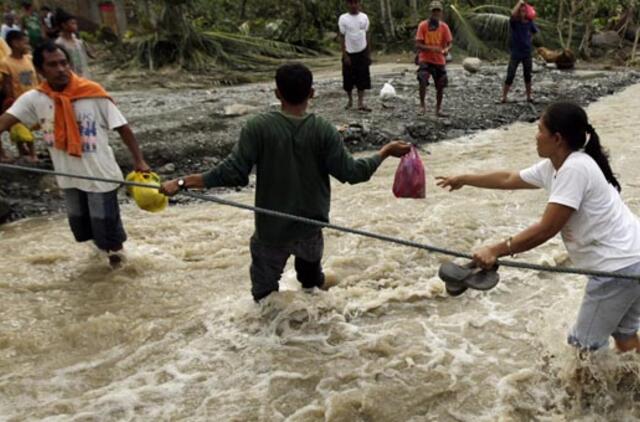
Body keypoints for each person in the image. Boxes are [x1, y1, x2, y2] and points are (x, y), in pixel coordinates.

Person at [160, 63, 411, 302]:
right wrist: (386, 151)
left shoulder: (258, 127)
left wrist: (182, 182)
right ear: (311, 93)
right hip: (309, 229)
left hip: (271, 231)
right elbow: (354, 173)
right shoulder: (324, 130)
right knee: (312, 287)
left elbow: (232, 173)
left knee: (263, 297)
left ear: (277, 93)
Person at [437, 102, 640, 353]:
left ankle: (583, 393)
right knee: (625, 336)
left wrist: (496, 250)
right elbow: (509, 178)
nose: (535, 136)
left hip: (617, 267)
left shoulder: (574, 169)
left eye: (539, 129)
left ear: (556, 138)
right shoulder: (556, 166)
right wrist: (465, 178)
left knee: (583, 348)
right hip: (632, 258)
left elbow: (547, 228)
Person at [0, 41, 151, 268]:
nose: (60, 69)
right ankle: (100, 266)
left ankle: (119, 271)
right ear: (41, 70)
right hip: (69, 178)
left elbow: (123, 128)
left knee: (108, 233)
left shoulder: (92, 93)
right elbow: (4, 122)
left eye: (63, 63)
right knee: (82, 230)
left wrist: (139, 161)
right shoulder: (35, 99)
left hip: (100, 177)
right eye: (53, 65)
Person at [0, 30, 39, 162]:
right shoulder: (6, 63)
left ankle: (25, 151)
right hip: (18, 100)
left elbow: (36, 77)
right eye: (24, 43)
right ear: (15, 43)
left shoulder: (29, 58)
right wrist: (11, 100)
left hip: (33, 97)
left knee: (29, 125)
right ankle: (31, 154)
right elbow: (7, 84)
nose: (27, 46)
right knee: (20, 126)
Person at [415, 1, 453, 117]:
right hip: (425, 58)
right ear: (430, 12)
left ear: (441, 12)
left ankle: (438, 109)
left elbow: (449, 43)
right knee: (422, 79)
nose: (436, 13)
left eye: (438, 11)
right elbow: (418, 44)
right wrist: (431, 48)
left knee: (441, 84)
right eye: (434, 11)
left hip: (439, 59)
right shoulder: (423, 25)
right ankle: (422, 106)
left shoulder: (444, 26)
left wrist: (447, 49)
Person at [501, 0, 538, 103]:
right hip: (516, 53)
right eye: (521, 11)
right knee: (510, 74)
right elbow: (512, 14)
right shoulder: (515, 22)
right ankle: (504, 97)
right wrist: (520, 2)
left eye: (524, 11)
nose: (522, 13)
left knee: (527, 75)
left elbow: (534, 32)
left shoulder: (529, 23)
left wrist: (529, 39)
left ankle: (529, 96)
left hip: (527, 52)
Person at [339, 0, 372, 112]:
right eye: (351, 3)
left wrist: (368, 53)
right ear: (347, 4)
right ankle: (350, 101)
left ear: (359, 4)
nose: (353, 5)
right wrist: (345, 55)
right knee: (348, 78)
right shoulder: (343, 18)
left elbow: (367, 35)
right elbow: (342, 37)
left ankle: (360, 102)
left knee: (362, 78)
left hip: (362, 51)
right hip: (349, 52)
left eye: (355, 2)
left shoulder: (364, 17)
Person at [54, 9, 91, 78]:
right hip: (71, 78)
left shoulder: (78, 41)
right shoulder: (59, 44)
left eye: (76, 23)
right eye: (72, 23)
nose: (76, 26)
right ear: (64, 25)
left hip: (84, 76)